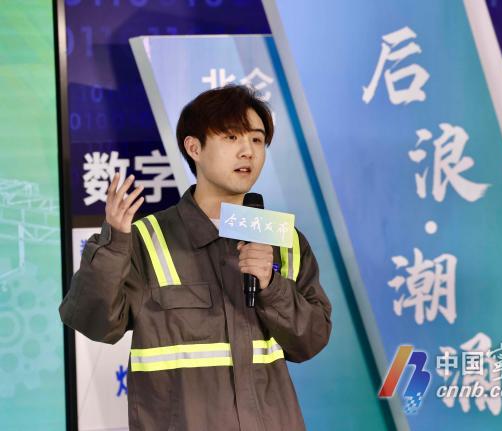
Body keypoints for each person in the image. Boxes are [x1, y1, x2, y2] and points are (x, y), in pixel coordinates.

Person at [59, 85, 332, 431]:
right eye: (231, 137)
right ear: (194, 148)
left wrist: (271, 285)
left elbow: (311, 340)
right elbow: (93, 321)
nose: (248, 151)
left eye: (257, 140)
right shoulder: (146, 239)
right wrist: (114, 244)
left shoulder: (285, 240)